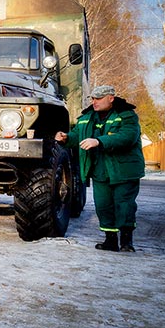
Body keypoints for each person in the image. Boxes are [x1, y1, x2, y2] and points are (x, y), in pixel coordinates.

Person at [56, 85, 146, 252]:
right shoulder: (87, 117)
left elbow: (127, 137)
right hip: (100, 170)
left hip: (124, 171)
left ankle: (126, 242)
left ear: (110, 98)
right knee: (103, 206)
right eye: (93, 98)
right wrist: (66, 138)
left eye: (98, 98)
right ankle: (110, 241)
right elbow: (77, 135)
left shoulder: (126, 115)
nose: (94, 102)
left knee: (124, 205)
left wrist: (99, 141)